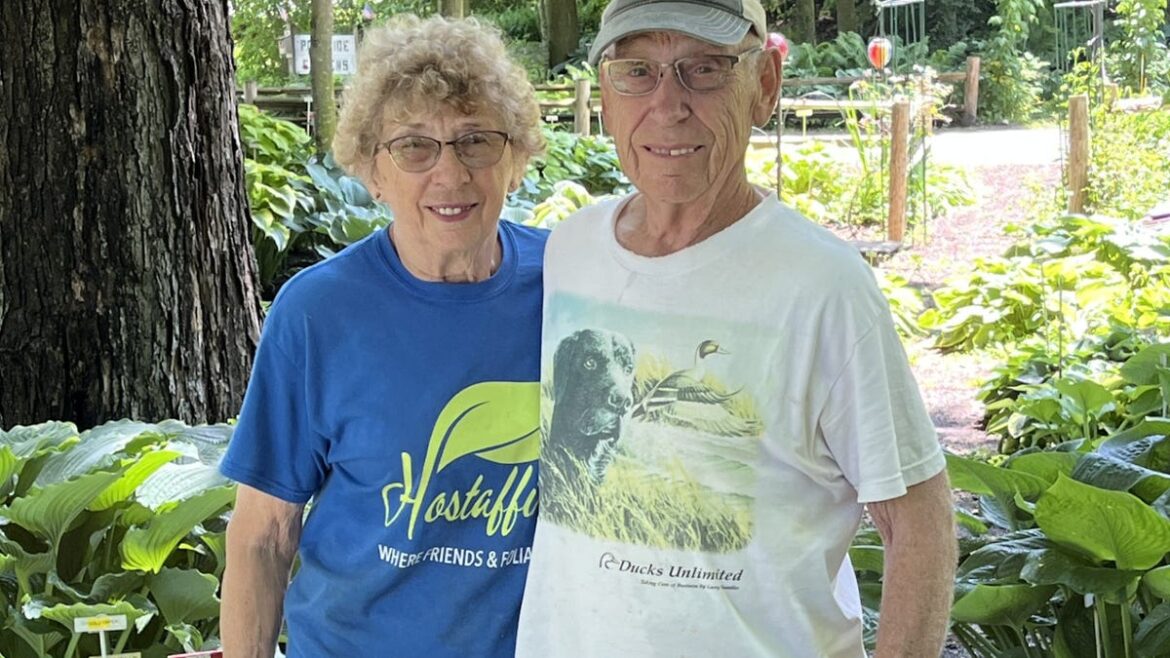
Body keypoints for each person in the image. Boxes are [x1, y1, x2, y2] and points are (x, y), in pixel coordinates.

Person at [515, 0, 957, 656]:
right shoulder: (571, 251)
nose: (668, 104)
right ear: (605, 95)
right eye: (637, 71)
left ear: (765, 86)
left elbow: (919, 518)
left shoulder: (822, 284)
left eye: (705, 68)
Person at [219, 15, 546, 658]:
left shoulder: (570, 287)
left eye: (476, 141)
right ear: (373, 171)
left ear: (516, 160)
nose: (450, 173)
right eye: (415, 147)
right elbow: (264, 535)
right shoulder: (318, 312)